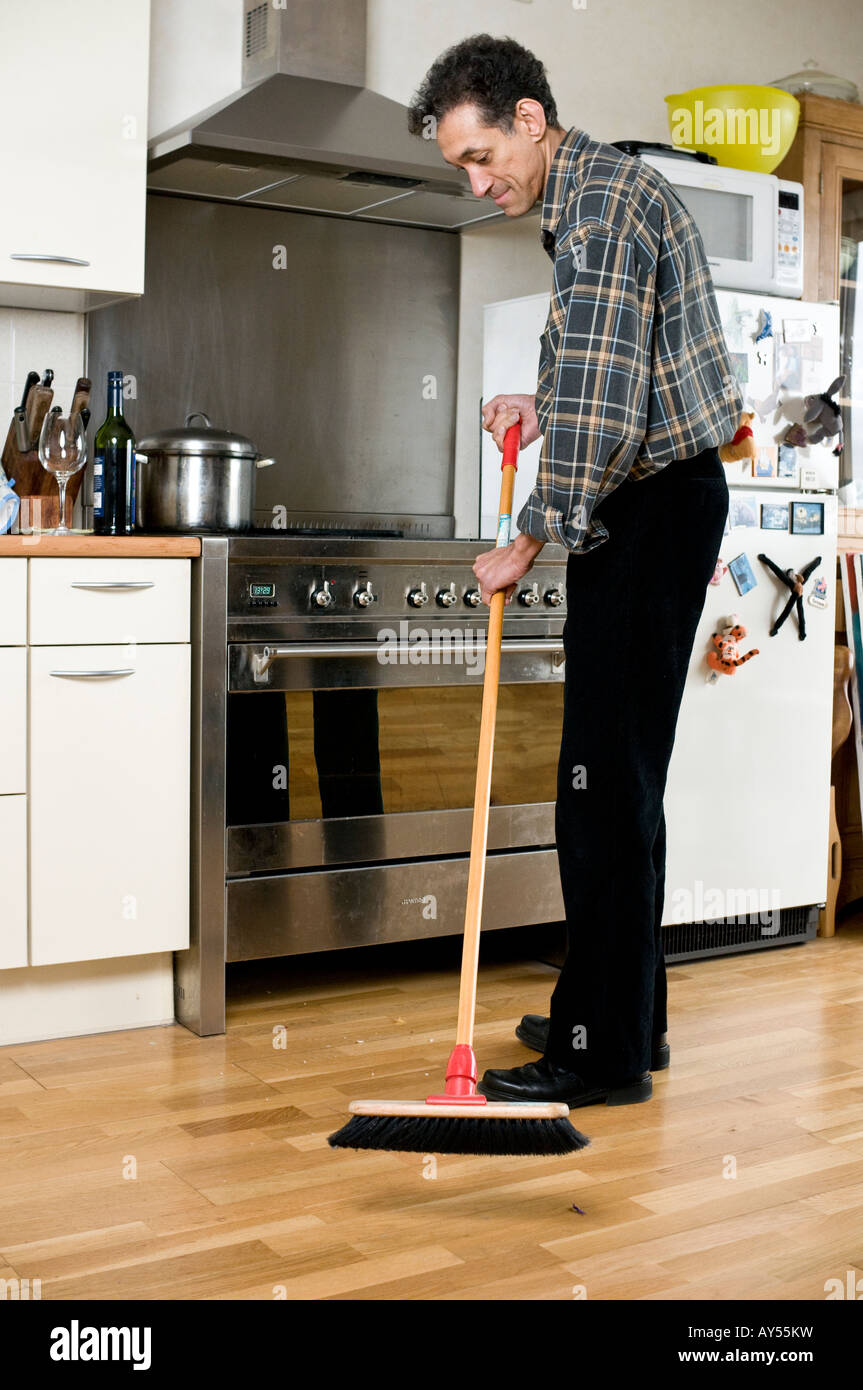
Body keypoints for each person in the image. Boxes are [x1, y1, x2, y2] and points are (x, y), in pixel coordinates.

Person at [407, 35, 741, 1107]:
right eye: (458, 164)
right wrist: (537, 406)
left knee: (596, 789)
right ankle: (625, 1017)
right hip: (664, 500)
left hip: (645, 514)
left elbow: (603, 410)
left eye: (480, 154)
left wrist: (526, 539)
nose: (475, 179)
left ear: (530, 121)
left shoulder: (594, 212)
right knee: (624, 779)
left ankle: (594, 1052)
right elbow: (616, 377)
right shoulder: (602, 194)